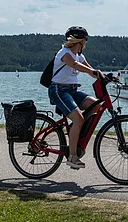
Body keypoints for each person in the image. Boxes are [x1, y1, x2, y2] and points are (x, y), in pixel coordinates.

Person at [48, 26, 102, 169]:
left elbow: (91, 70)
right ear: (79, 40)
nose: (86, 42)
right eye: (86, 39)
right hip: (58, 90)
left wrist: (105, 76)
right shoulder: (64, 53)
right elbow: (75, 65)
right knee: (79, 118)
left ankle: (76, 128)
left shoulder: (80, 56)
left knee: (96, 105)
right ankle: (72, 157)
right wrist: (94, 72)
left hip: (72, 90)